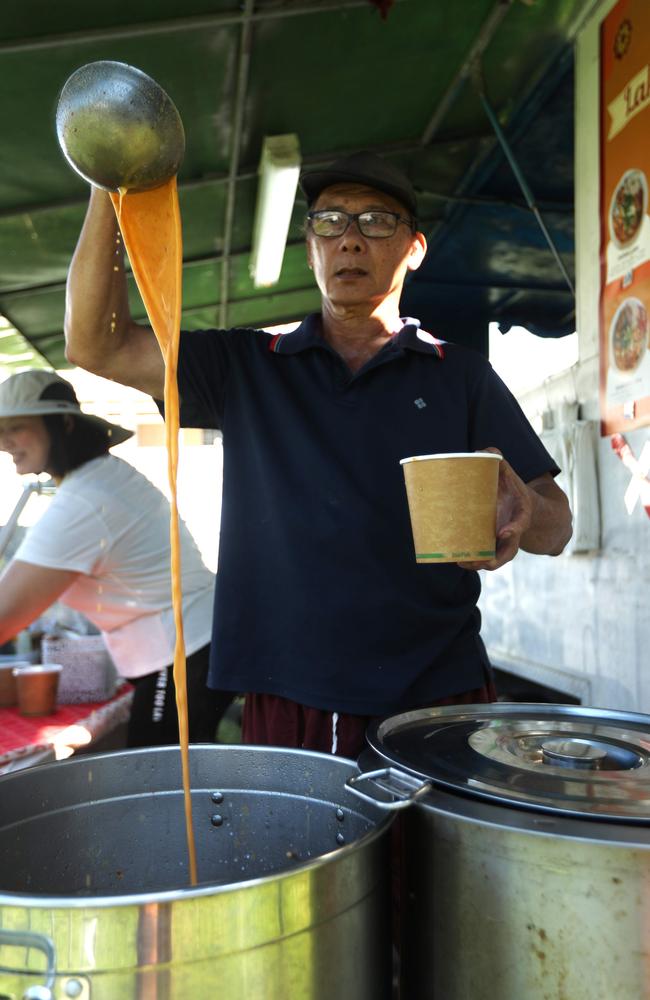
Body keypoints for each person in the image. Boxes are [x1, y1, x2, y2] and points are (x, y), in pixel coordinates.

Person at [64, 150, 572, 760]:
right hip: (292, 690)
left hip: (440, 687)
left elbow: (557, 527)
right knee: (315, 859)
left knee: (441, 858)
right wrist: (106, 186)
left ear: (414, 249)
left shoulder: (459, 374)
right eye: (330, 223)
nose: (350, 241)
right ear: (310, 251)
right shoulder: (249, 365)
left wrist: (521, 509)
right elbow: (96, 344)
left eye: (376, 222)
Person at [0, 368, 232, 747]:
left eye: (18, 427)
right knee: (168, 774)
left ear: (64, 426)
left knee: (160, 777)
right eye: (0, 432)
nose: (5, 442)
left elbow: (5, 614)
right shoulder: (98, 479)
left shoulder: (84, 501)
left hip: (184, 649)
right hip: (193, 644)